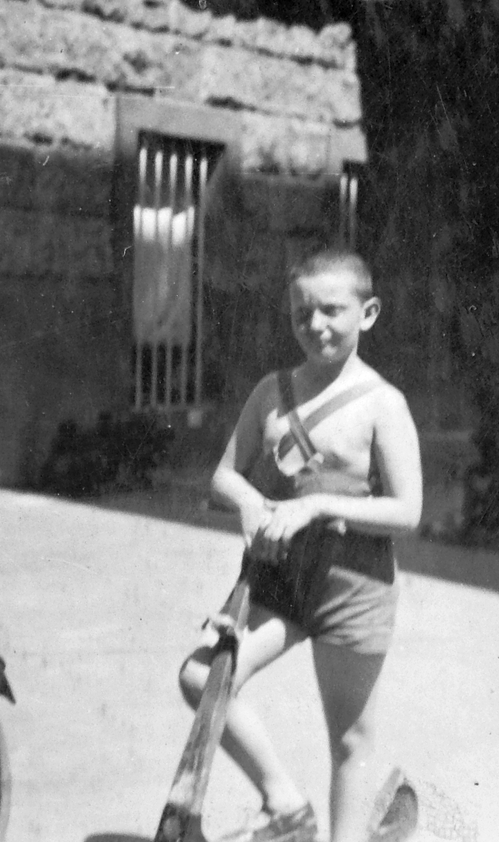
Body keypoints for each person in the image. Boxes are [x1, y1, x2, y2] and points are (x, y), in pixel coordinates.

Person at [178, 249, 422, 842]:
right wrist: (251, 503)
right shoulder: (273, 390)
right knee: (200, 678)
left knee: (349, 742)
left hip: (353, 587)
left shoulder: (382, 404)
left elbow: (406, 512)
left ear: (368, 314)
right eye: (301, 314)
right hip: (282, 579)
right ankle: (284, 803)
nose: (315, 326)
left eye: (332, 311)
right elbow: (223, 475)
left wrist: (317, 504)